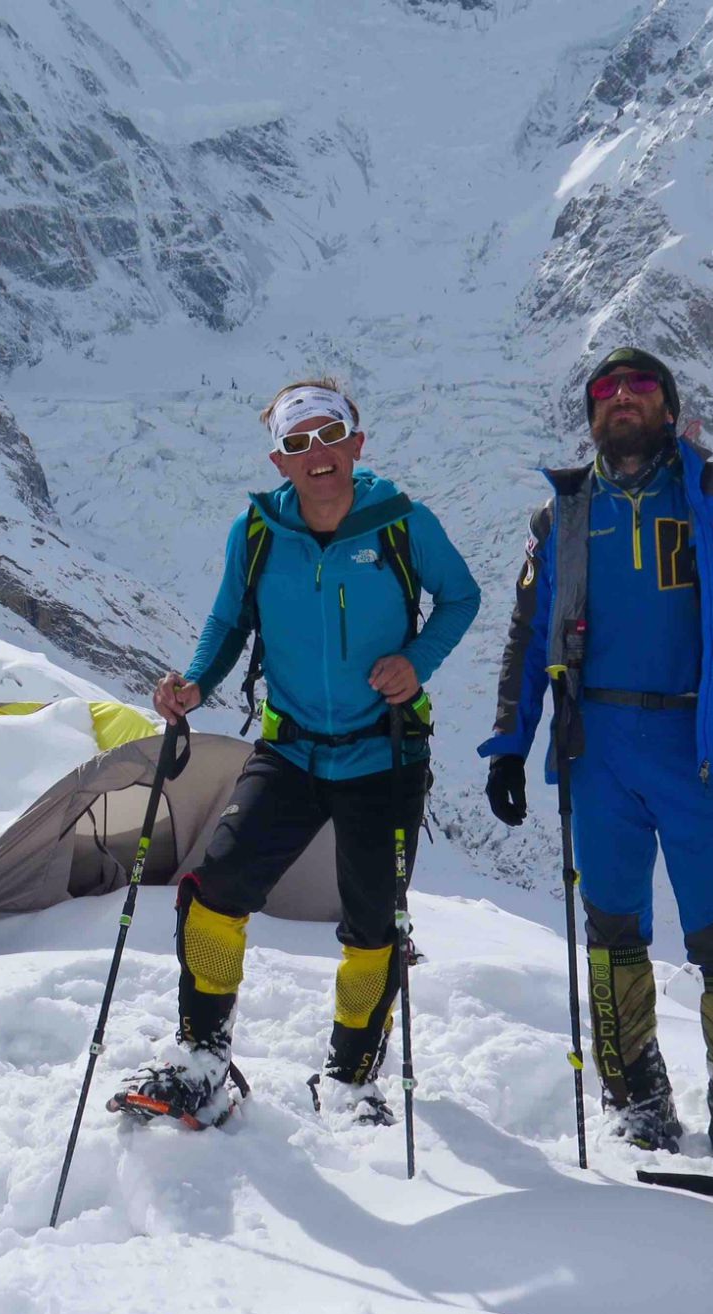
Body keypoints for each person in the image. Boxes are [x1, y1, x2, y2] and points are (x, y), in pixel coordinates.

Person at [478, 346, 713, 1153]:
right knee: (612, 933)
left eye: (641, 387)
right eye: (605, 390)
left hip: (700, 750)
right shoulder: (562, 517)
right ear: (591, 416)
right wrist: (510, 743)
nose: (622, 398)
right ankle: (636, 1101)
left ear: (670, 408)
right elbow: (529, 638)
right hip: (596, 752)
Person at [119, 378, 481, 1127]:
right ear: (278, 461)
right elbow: (229, 619)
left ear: (357, 442)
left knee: (375, 924)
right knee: (215, 889)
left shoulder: (402, 525)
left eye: (327, 436)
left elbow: (461, 597)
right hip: (288, 749)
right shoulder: (256, 533)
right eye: (296, 443)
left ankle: (350, 1081)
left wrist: (418, 660)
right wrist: (193, 682)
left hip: (385, 752)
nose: (315, 454)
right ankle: (202, 1062)